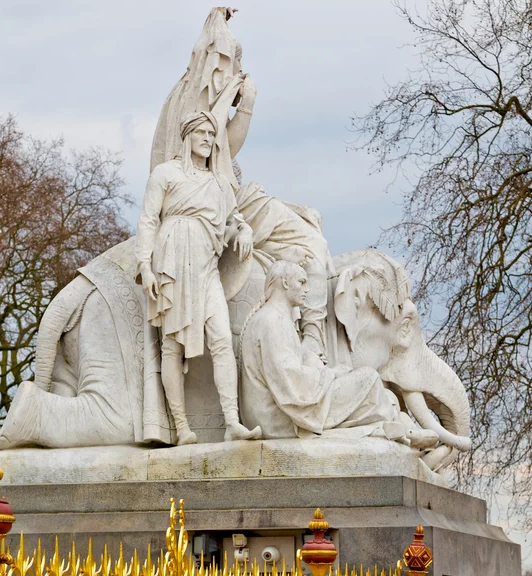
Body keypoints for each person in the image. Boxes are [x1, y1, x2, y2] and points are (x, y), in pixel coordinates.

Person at [136, 111, 261, 445]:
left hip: (206, 268)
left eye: (211, 133)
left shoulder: (220, 184)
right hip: (173, 264)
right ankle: (181, 427)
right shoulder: (166, 174)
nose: (207, 138)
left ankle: (232, 422)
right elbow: (148, 220)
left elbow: (233, 220)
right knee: (172, 346)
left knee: (221, 339)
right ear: (187, 136)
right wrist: (145, 266)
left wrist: (244, 230)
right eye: (201, 132)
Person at [239, 260, 439, 447]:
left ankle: (393, 427)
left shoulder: (276, 319)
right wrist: (330, 375)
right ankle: (394, 428)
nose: (306, 289)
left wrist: (329, 371)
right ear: (284, 282)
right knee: (367, 379)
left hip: (285, 410)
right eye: (301, 282)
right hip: (279, 419)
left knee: (373, 388)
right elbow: (291, 383)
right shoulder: (272, 321)